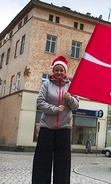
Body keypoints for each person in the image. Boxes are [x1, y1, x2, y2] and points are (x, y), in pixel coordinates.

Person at [32, 55, 79, 184]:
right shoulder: (46, 84)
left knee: (62, 163)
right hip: (47, 127)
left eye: (61, 70)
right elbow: (40, 102)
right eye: (56, 70)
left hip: (64, 128)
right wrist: (54, 109)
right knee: (42, 161)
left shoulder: (71, 85)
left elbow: (75, 106)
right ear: (53, 71)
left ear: (65, 72)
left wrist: (69, 98)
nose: (59, 72)